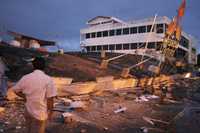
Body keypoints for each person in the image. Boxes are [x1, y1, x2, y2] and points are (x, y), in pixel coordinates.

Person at [7, 57, 57, 133]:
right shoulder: (48, 79)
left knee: (29, 130)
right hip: (40, 113)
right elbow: (50, 98)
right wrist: (51, 112)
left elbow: (15, 90)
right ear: (44, 66)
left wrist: (25, 97)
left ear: (33, 66)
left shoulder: (26, 77)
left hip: (28, 111)